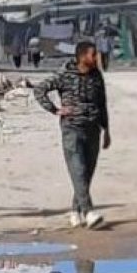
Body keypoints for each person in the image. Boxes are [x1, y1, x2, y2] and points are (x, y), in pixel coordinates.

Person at [33, 42, 113, 229]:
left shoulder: (96, 76)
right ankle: (89, 212)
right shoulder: (65, 75)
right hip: (72, 129)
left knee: (86, 174)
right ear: (82, 56)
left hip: (93, 129)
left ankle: (75, 210)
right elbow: (39, 90)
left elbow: (102, 103)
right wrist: (55, 110)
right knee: (78, 170)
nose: (96, 58)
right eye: (93, 54)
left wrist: (106, 129)